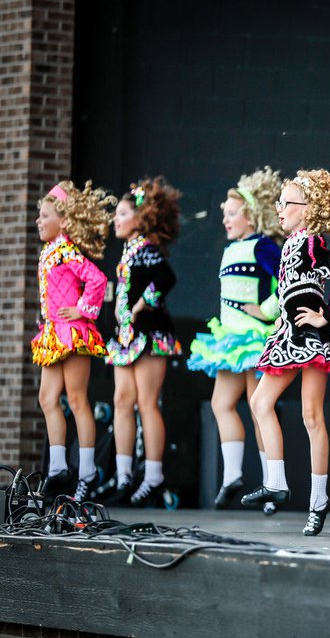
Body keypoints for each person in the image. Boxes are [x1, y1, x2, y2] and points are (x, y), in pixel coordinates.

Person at [241, 169, 330, 537]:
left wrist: (329, 321)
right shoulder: (292, 244)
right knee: (261, 402)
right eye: (279, 203)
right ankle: (276, 481)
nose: (280, 209)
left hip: (309, 335)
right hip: (289, 333)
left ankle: (317, 501)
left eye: (287, 203)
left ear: (307, 210)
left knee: (311, 414)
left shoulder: (311, 243)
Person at [187, 167, 284, 513]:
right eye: (224, 215)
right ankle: (232, 476)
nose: (226, 220)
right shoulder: (232, 249)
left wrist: (266, 310)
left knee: (259, 409)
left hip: (255, 339)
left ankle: (272, 484)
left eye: (232, 214)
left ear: (251, 215)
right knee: (221, 404)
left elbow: (288, 282)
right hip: (229, 342)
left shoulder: (264, 247)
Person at [34, 181, 113, 501]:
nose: (38, 221)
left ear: (64, 221)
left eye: (44, 215)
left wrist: (81, 310)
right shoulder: (49, 251)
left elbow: (97, 279)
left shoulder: (66, 250)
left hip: (72, 331)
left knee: (77, 400)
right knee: (47, 397)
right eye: (38, 216)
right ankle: (57, 468)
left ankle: (87, 472)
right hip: (54, 333)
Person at [105, 178, 182, 506]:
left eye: (122, 213)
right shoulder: (129, 250)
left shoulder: (148, 248)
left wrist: (141, 304)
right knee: (123, 400)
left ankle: (152, 475)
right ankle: (123, 474)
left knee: (147, 402)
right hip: (126, 337)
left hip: (149, 334)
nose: (116, 219)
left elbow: (167, 277)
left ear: (140, 218)